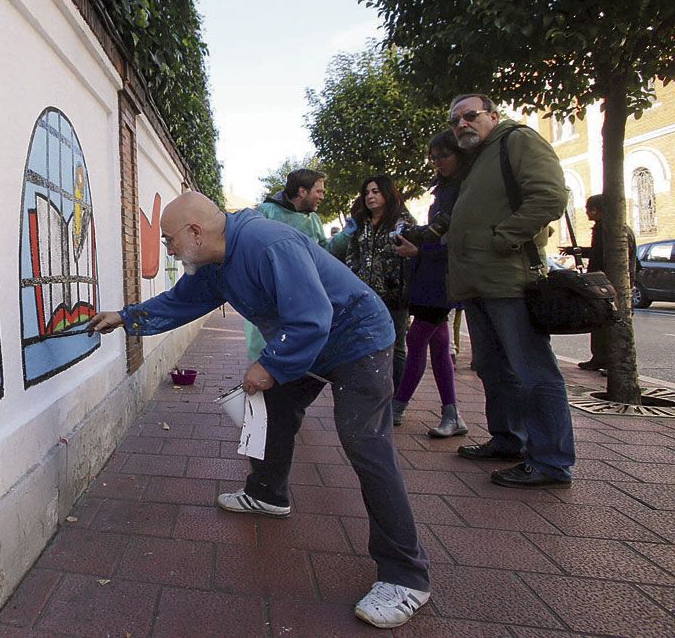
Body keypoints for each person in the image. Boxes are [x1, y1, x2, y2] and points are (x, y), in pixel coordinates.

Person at [88, 192, 431, 629]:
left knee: (367, 446)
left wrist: (270, 365)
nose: (169, 248)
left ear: (195, 232)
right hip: (308, 342)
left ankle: (407, 576)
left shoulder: (269, 244)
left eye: (170, 239)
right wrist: (125, 317)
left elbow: (312, 317)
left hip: (355, 338)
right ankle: (268, 493)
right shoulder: (214, 260)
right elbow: (180, 302)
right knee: (271, 408)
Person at [446, 93, 575, 489]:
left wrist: (505, 238)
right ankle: (508, 439)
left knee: (533, 370)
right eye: (455, 121)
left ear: (492, 115)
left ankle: (551, 461)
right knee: (493, 367)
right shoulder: (480, 157)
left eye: (470, 116)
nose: (462, 125)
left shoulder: (517, 140)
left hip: (509, 280)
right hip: (477, 283)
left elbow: (550, 196)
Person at [391, 132, 467, 437]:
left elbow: (456, 238)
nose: (437, 162)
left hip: (442, 279)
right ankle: (452, 414)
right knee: (438, 347)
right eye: (433, 157)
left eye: (443, 155)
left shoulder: (463, 188)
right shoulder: (445, 189)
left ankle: (398, 405)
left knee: (417, 341)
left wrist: (418, 248)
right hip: (431, 278)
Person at [332, 176, 415, 408]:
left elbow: (410, 257)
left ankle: (395, 400)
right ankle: (368, 393)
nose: (370, 196)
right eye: (367, 192)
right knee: (363, 343)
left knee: (396, 346)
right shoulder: (361, 223)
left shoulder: (404, 222)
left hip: (394, 296)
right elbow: (351, 254)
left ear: (388, 193)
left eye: (376, 191)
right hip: (365, 297)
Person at [244, 169, 334, 362]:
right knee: (263, 354)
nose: (322, 196)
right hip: (269, 296)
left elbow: (325, 252)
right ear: (302, 191)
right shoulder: (266, 212)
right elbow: (250, 248)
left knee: (298, 354)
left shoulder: (314, 219)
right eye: (318, 191)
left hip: (304, 296)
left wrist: (345, 237)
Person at [560, 193, 637, 372]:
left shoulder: (609, 229)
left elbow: (604, 256)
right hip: (612, 282)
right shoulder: (616, 228)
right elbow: (599, 251)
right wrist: (577, 251)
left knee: (605, 320)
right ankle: (600, 358)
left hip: (606, 283)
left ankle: (608, 360)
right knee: (603, 320)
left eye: (588, 210)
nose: (586, 213)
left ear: (596, 210)